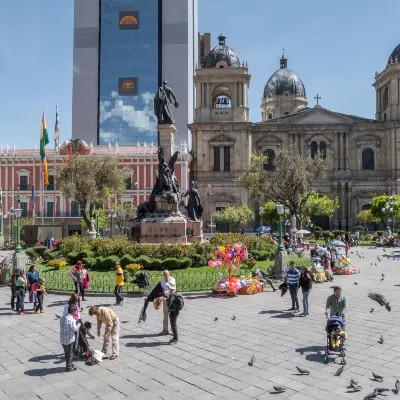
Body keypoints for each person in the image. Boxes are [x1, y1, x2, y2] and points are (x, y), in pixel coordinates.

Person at [60, 305, 81, 372]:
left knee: (66, 352)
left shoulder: (63, 317)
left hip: (63, 339)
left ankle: (69, 364)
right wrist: (79, 324)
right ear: (73, 311)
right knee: (70, 353)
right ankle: (69, 367)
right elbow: (74, 329)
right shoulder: (71, 320)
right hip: (69, 340)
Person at [160, 270, 176, 335]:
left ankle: (173, 330)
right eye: (165, 275)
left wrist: (168, 287)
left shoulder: (172, 279)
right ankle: (165, 330)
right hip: (165, 298)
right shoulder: (162, 281)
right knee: (165, 315)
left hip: (172, 298)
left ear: (169, 274)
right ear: (163, 275)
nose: (166, 276)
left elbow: (173, 289)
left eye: (167, 274)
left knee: (172, 315)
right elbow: (162, 290)